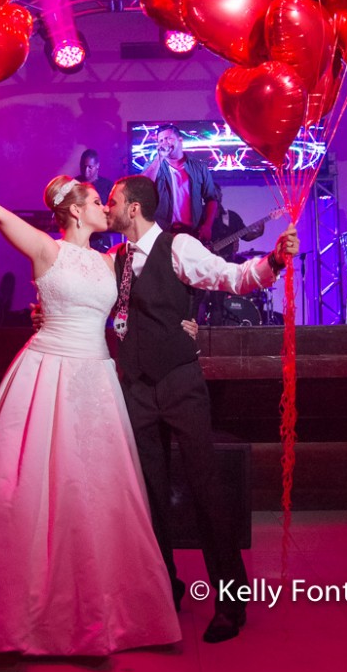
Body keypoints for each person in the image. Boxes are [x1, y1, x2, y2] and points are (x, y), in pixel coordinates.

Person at [0, 147, 181, 656]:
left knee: (96, 494)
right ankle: (20, 613)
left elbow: (154, 285)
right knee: (32, 489)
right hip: (46, 371)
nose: (105, 207)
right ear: (76, 210)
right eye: (95, 201)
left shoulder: (113, 260)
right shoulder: (46, 249)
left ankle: (101, 611)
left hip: (96, 377)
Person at [105, 175, 299, 643]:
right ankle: (164, 588)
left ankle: (231, 603)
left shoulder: (178, 248)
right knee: (148, 497)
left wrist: (273, 259)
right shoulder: (114, 259)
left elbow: (231, 278)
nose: (107, 207)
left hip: (179, 381)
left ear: (133, 209)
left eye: (112, 201)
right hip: (136, 389)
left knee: (207, 491)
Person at [142, 124, 219, 242]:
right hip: (162, 234)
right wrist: (159, 158)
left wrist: (207, 226)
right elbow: (142, 186)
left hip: (192, 233)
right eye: (161, 140)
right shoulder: (155, 165)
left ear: (180, 140)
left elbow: (211, 199)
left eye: (168, 138)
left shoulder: (199, 168)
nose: (164, 143)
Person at [204, 184, 265, 324]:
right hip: (202, 266)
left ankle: (216, 337)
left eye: (217, 194)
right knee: (196, 303)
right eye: (212, 194)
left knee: (217, 304)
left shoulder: (231, 217)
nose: (215, 198)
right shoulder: (199, 215)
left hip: (222, 268)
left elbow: (246, 235)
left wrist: (258, 233)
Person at [76, 148, 114, 252]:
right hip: (79, 236)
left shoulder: (108, 186)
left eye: (90, 167)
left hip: (100, 238)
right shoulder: (74, 184)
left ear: (97, 166)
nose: (86, 170)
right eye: (83, 166)